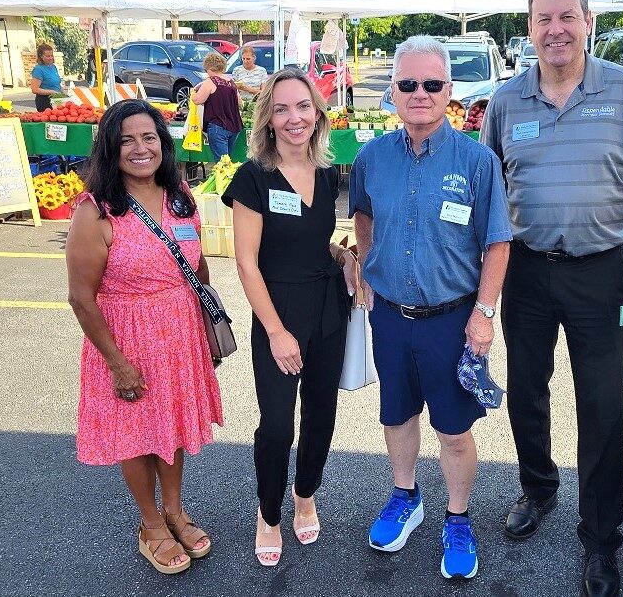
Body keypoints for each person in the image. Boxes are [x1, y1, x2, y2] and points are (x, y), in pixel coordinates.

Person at [480, 0, 623, 597]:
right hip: (528, 272)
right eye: (543, 19)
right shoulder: (507, 103)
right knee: (527, 390)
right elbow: (487, 195)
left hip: (601, 276)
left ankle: (601, 539)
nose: (556, 29)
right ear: (529, 28)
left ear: (588, 21)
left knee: (603, 405)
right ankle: (537, 487)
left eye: (567, 17)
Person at [349, 35, 512, 580]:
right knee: (396, 415)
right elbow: (363, 217)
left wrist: (484, 314)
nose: (420, 94)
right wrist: (368, 266)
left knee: (454, 429)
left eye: (432, 84)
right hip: (391, 318)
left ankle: (458, 517)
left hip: (453, 321)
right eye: (408, 84)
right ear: (392, 91)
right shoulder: (372, 157)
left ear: (450, 91)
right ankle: (406, 496)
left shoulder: (477, 160)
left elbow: (498, 242)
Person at [66, 99, 224, 575]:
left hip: (179, 335)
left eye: (149, 137)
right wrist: (115, 361)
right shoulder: (96, 212)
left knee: (171, 427)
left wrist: (203, 330)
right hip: (125, 337)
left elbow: (197, 266)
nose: (140, 148)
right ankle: (150, 523)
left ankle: (175, 511)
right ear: (110, 149)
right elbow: (81, 297)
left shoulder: (181, 197)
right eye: (127, 140)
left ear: (164, 143)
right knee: (136, 434)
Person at [221, 67, 356, 568]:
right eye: (282, 108)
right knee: (277, 426)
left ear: (317, 113)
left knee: (321, 414)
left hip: (328, 312)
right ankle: (269, 512)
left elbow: (308, 238)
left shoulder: (327, 170)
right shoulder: (253, 177)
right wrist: (276, 331)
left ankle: (305, 493)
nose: (294, 117)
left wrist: (342, 257)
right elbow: (246, 262)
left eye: (303, 106)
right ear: (269, 119)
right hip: (278, 315)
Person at [193, 52, 243, 160]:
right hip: (234, 126)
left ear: (209, 67)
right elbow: (240, 104)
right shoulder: (231, 82)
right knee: (228, 160)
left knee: (222, 164)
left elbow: (197, 100)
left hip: (218, 126)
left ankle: (226, 177)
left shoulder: (211, 81)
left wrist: (194, 94)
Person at [30, 42, 62, 111]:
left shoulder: (53, 67)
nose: (50, 58)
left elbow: (57, 83)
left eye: (51, 55)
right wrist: (52, 92)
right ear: (41, 56)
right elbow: (34, 89)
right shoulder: (38, 69)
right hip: (45, 101)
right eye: (48, 56)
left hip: (56, 99)